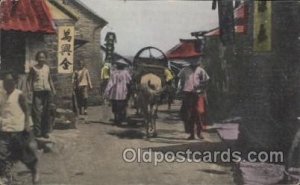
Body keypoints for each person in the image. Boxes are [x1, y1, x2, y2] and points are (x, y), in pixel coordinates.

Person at [0, 73, 39, 184]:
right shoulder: (1, 95)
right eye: (6, 82)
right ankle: (5, 176)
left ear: (15, 82)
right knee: (2, 153)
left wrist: (27, 124)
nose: (8, 84)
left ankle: (34, 170)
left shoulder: (19, 94)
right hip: (4, 129)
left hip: (18, 129)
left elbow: (26, 110)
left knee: (24, 155)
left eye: (10, 82)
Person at [178, 59, 209, 140]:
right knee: (188, 115)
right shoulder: (184, 70)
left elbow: (206, 81)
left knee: (198, 114)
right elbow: (181, 81)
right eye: (193, 61)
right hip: (187, 94)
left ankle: (199, 133)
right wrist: (181, 91)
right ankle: (191, 134)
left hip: (198, 94)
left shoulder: (201, 70)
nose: (194, 63)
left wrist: (199, 87)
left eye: (196, 62)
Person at [27, 51, 56, 138]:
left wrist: (53, 89)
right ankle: (37, 132)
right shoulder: (34, 68)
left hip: (47, 91)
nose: (41, 59)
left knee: (46, 112)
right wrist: (29, 91)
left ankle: (45, 132)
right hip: (37, 92)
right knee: (37, 112)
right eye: (40, 57)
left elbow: (50, 79)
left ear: (45, 58)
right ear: (37, 58)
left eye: (43, 57)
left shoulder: (47, 68)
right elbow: (29, 81)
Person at [104, 59, 131, 125]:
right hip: (123, 92)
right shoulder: (126, 73)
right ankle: (120, 119)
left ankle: (116, 118)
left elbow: (111, 83)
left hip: (115, 92)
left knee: (115, 105)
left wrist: (107, 90)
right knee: (122, 105)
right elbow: (129, 81)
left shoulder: (114, 73)